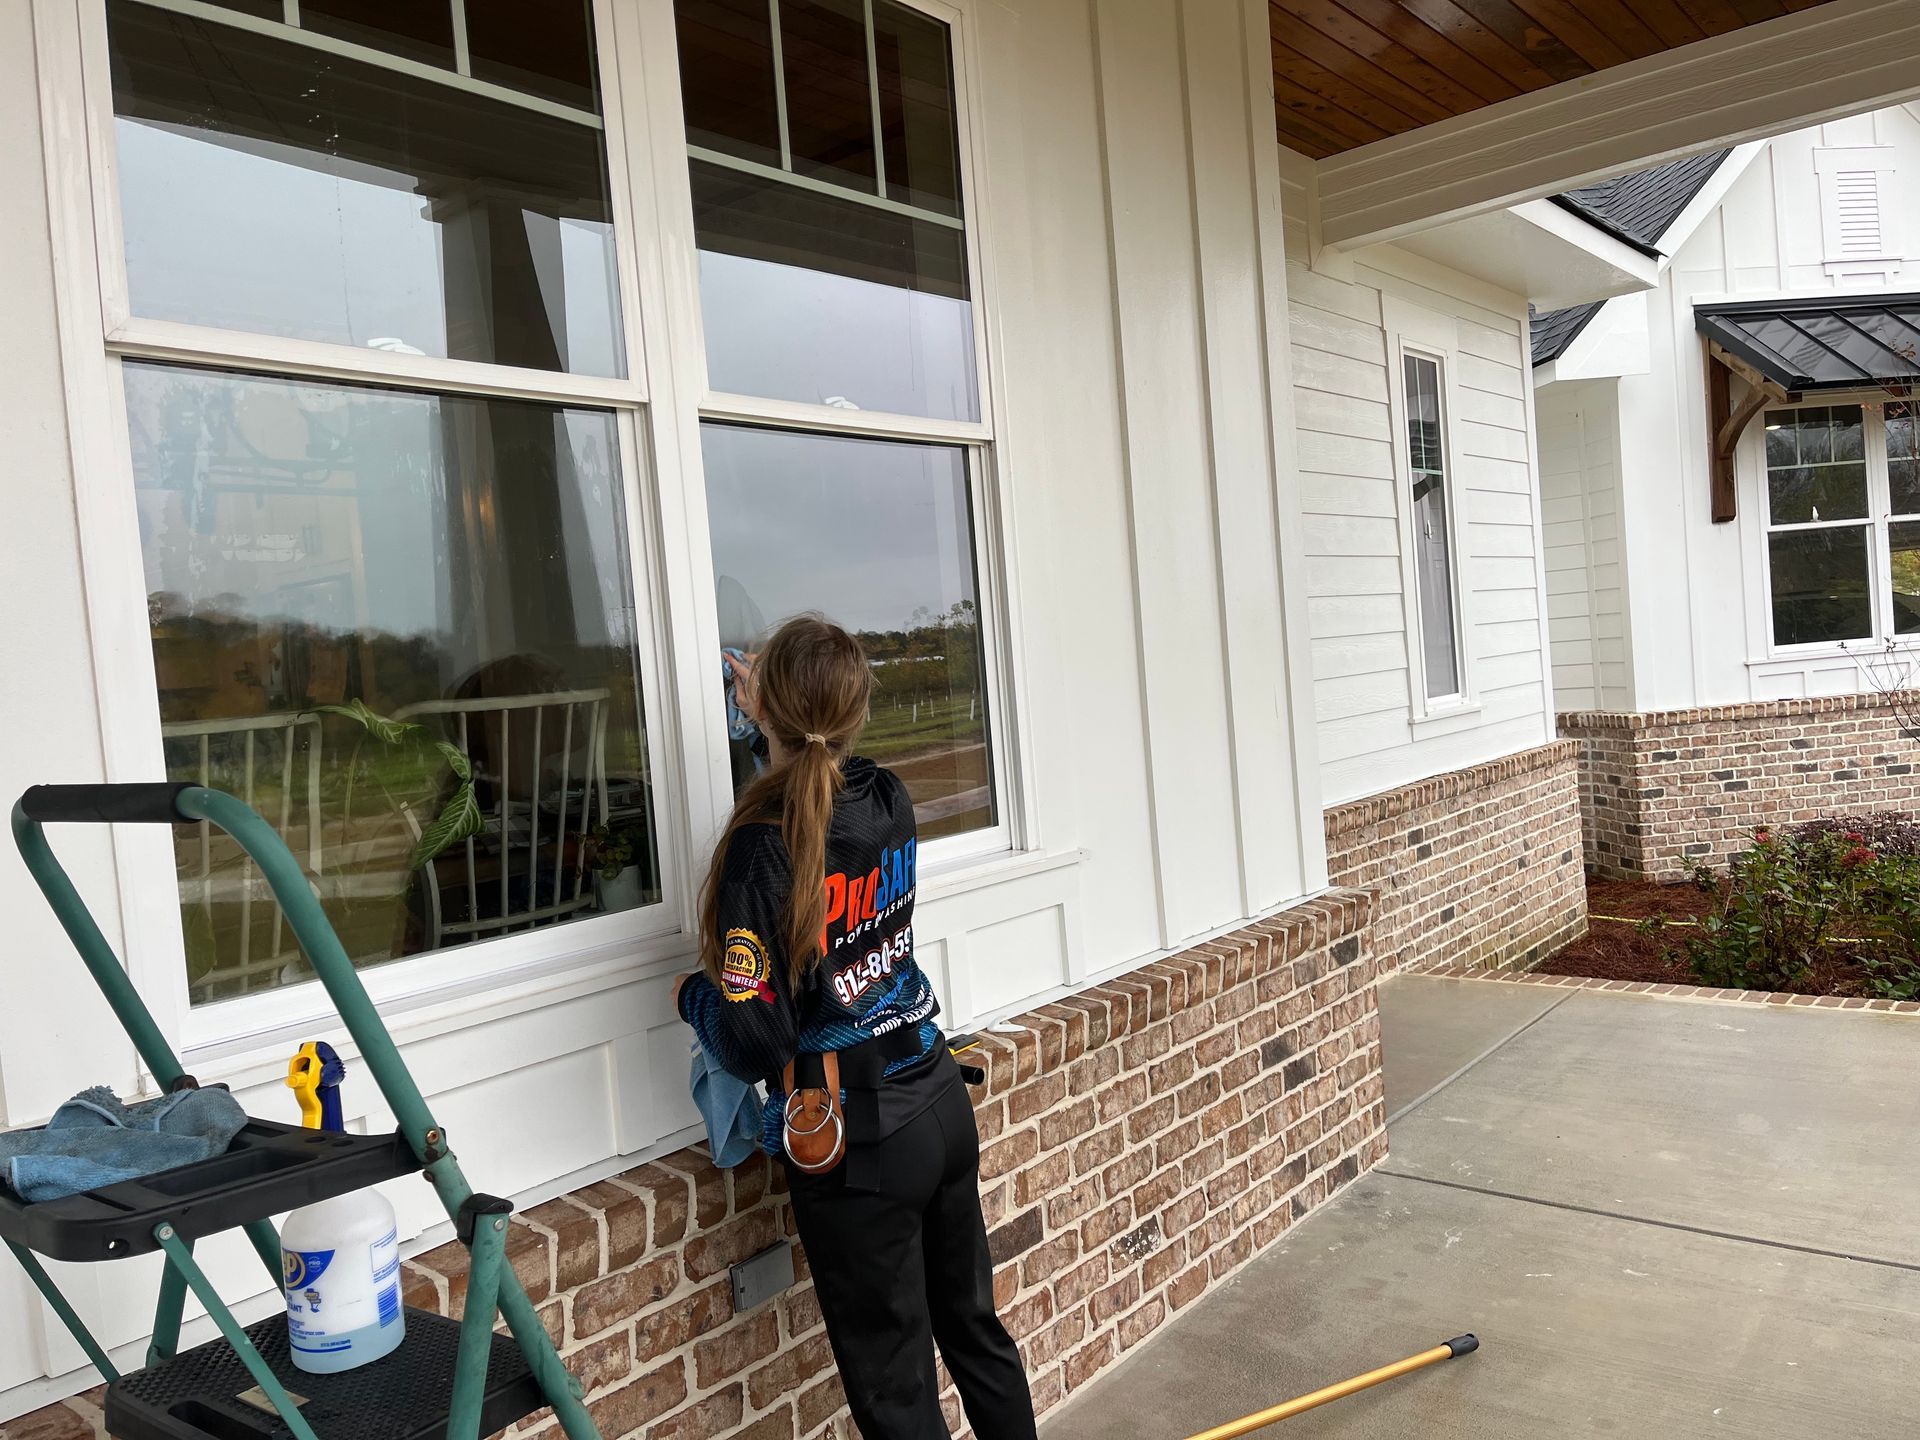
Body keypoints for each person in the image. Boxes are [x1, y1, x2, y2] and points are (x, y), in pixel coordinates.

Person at [674, 616, 1037, 1440]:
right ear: (856, 713)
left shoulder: (763, 851)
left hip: (860, 1138)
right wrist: (770, 706)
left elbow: (759, 1042)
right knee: (976, 1334)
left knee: (896, 1394)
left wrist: (695, 1000)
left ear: (759, 703)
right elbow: (820, 766)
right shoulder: (888, 797)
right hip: (939, 1099)